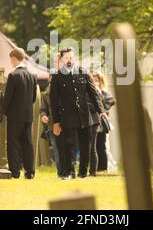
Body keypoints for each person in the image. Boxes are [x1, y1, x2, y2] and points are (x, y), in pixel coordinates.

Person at [50, 47, 106, 179]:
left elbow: (94, 94)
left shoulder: (83, 72)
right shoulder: (57, 77)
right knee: (69, 146)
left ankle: (82, 173)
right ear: (62, 60)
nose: (69, 60)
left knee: (86, 146)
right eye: (66, 58)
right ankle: (70, 172)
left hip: (84, 117)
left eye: (71, 57)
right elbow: (54, 101)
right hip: (67, 117)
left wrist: (101, 111)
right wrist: (56, 121)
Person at [1, 48, 37, 179]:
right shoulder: (33, 76)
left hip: (15, 116)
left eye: (11, 59)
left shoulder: (13, 75)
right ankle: (30, 171)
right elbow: (33, 98)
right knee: (27, 143)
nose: (10, 61)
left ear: (14, 58)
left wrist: (2, 112)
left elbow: (7, 98)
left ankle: (15, 171)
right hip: (28, 116)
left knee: (13, 143)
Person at [92, 72, 116, 172]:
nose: (95, 82)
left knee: (102, 146)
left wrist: (102, 109)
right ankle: (97, 168)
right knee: (95, 146)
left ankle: (103, 168)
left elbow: (112, 101)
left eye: (96, 80)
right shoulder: (91, 91)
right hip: (93, 122)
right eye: (93, 80)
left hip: (102, 123)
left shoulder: (104, 92)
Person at [40, 74, 63, 177]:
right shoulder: (45, 94)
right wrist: (43, 116)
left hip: (65, 124)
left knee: (67, 149)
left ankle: (69, 171)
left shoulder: (65, 92)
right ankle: (61, 173)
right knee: (57, 150)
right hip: (51, 126)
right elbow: (43, 109)